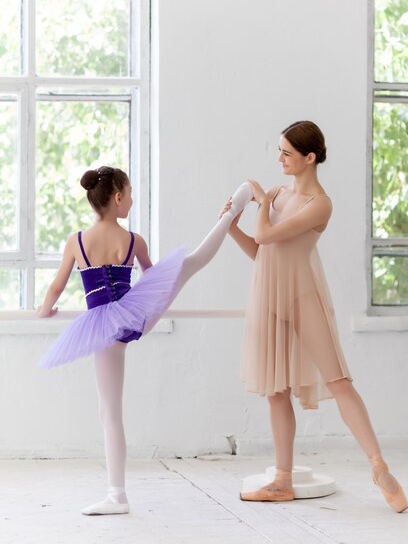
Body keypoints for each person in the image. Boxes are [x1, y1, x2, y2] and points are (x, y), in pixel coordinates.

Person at [37, 166, 253, 515]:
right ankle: (231, 212)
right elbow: (154, 279)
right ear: (118, 197)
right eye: (131, 193)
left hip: (103, 327)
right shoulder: (134, 241)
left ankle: (117, 494)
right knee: (191, 262)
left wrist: (45, 310)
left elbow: (57, 287)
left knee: (110, 412)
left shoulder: (77, 241)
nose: (132, 200)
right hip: (138, 315)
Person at [221, 121, 408, 513]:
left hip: (302, 296)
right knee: (275, 391)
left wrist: (261, 203)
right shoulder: (280, 194)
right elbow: (261, 251)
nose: (280, 160)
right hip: (267, 294)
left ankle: (378, 466)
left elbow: (269, 236)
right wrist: (232, 227)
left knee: (339, 380)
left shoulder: (318, 203)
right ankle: (282, 479)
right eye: (279, 151)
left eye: (287, 153)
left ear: (310, 158)